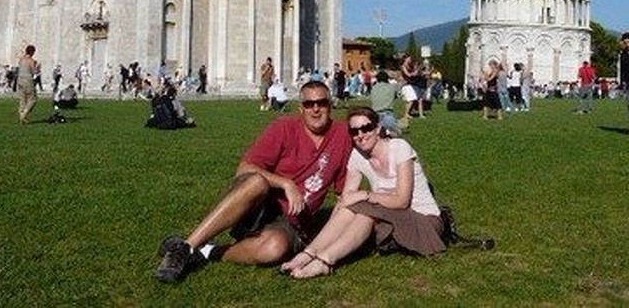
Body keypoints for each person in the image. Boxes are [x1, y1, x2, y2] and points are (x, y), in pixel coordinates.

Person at [154, 80, 352, 283]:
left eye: (322, 103)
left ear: (331, 104)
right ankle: (186, 247)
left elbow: (343, 194)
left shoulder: (342, 135)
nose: (316, 109)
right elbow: (244, 169)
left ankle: (207, 251)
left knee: (274, 249)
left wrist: (327, 243)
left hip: (292, 223)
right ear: (301, 109)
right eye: (309, 104)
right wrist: (286, 184)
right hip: (259, 207)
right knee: (256, 181)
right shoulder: (284, 127)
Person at [279, 106, 446, 278]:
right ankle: (308, 254)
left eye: (366, 128)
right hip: (392, 218)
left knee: (366, 207)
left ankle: (325, 261)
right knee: (356, 205)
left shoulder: (399, 148)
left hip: (424, 221)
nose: (361, 135)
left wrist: (367, 195)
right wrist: (334, 225)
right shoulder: (357, 156)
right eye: (354, 131)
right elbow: (346, 200)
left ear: (378, 128)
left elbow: (402, 201)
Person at [370, 70, 400, 137]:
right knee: (396, 136)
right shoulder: (392, 87)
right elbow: (397, 95)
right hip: (388, 114)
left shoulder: (374, 88)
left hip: (375, 115)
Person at [17, 44, 40, 124]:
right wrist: (37, 67)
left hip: (19, 80)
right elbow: (34, 72)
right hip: (27, 80)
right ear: (32, 52)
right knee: (33, 99)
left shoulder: (21, 60)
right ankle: (24, 114)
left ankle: (21, 115)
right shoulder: (31, 61)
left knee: (22, 99)